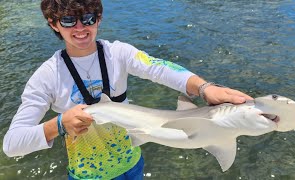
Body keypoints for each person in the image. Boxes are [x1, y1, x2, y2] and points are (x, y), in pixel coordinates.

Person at [3, 0, 253, 179]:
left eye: (88, 18)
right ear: (53, 23)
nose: (80, 28)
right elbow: (12, 144)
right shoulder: (46, 77)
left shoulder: (118, 53)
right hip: (88, 175)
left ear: (98, 18)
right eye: (68, 20)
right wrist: (57, 124)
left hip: (133, 164)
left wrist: (204, 87)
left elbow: (159, 68)